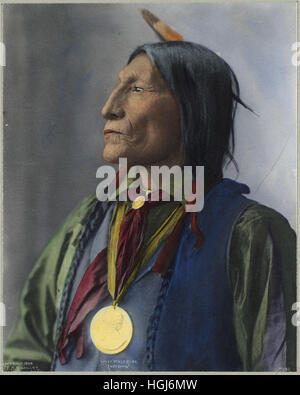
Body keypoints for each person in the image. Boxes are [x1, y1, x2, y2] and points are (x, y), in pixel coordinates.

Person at [4, 41, 296, 372]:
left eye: (138, 88)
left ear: (192, 109)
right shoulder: (86, 222)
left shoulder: (251, 234)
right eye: (119, 87)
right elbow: (24, 355)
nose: (109, 107)